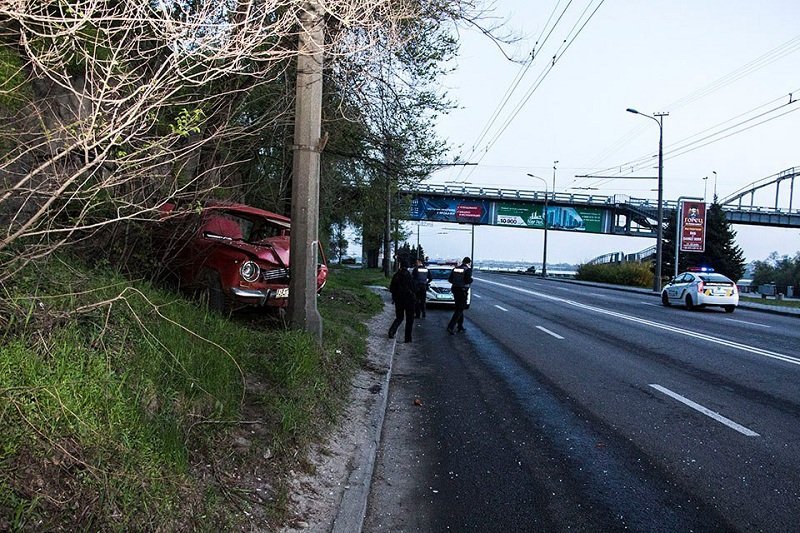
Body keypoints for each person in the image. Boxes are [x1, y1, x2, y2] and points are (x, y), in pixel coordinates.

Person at [388, 259, 417, 342]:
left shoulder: (396, 275)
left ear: (400, 266)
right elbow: (414, 288)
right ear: (408, 267)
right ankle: (408, 338)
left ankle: (392, 331)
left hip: (399, 300)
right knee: (409, 319)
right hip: (409, 300)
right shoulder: (410, 276)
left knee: (399, 317)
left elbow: (391, 288)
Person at [447, 256, 473, 335]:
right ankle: (451, 327)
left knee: (459, 307)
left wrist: (457, 283)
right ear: (469, 263)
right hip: (462, 291)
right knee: (460, 309)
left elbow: (450, 279)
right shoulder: (467, 270)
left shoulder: (455, 269)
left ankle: (460, 326)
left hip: (455, 289)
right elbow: (468, 280)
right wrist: (471, 280)